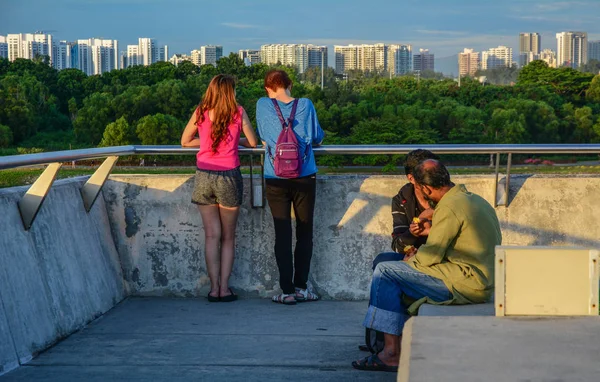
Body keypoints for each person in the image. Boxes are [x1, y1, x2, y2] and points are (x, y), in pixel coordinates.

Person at [353, 159, 502, 372]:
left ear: (426, 188)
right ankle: (391, 342)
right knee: (387, 263)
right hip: (480, 277)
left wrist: (410, 259)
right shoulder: (472, 200)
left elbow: (430, 256)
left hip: (466, 283)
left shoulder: (449, 207)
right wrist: (429, 233)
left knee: (385, 272)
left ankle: (391, 352)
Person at [181, 74, 259, 303]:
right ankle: (225, 288)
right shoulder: (238, 111)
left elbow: (185, 141)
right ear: (230, 91)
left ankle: (213, 289)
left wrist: (206, 142)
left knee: (211, 236)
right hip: (228, 177)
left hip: (204, 175)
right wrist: (238, 141)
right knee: (227, 237)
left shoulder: (201, 111)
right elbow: (253, 142)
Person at [359, 149, 439, 353]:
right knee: (382, 262)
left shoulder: (446, 196)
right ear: (412, 177)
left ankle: (388, 347)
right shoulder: (402, 199)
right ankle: (380, 340)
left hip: (438, 258)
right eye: (426, 174)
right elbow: (397, 242)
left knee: (386, 271)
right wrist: (411, 239)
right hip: (410, 257)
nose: (432, 179)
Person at [256, 70, 325, 305]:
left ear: (268, 88)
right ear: (290, 85)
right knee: (305, 232)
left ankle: (286, 292)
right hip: (305, 176)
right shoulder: (306, 104)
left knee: (282, 233)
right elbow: (317, 138)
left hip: (275, 176)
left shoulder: (263, 105)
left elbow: (263, 138)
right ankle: (301, 288)